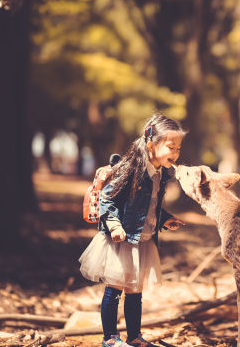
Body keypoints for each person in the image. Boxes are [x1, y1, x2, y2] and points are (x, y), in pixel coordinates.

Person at [79, 113, 187, 347]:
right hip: (122, 239)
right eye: (171, 147)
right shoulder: (131, 167)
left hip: (143, 240)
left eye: (178, 148)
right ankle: (110, 338)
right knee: (115, 288)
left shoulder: (161, 173)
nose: (176, 153)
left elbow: (150, 206)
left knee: (135, 291)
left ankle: (134, 336)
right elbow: (108, 198)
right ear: (151, 144)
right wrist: (114, 225)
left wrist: (164, 219)